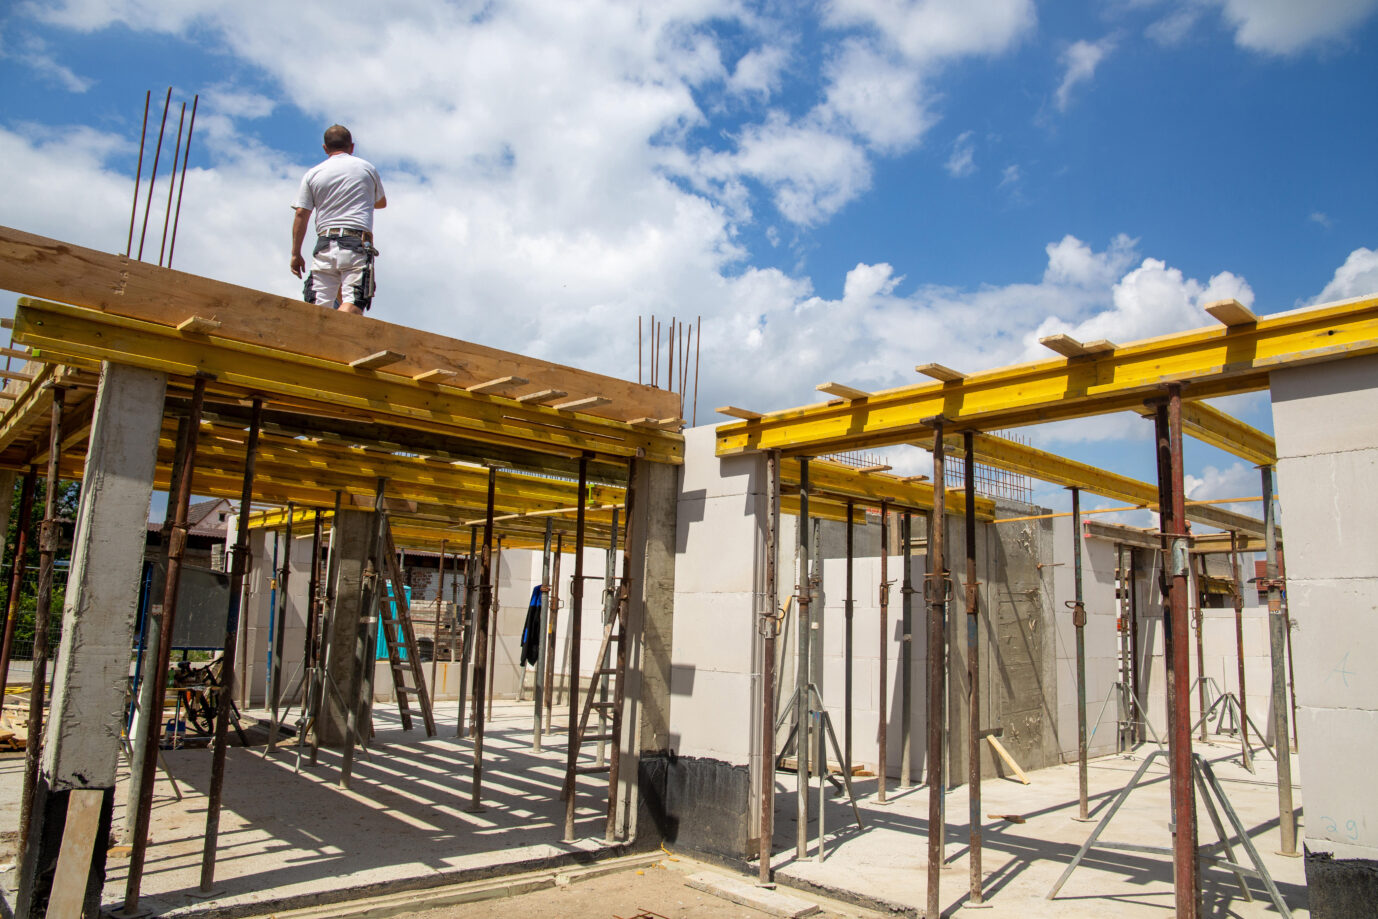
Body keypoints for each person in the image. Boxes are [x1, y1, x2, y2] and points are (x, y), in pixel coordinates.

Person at [290, 124, 387, 314]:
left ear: (325, 148)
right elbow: (381, 202)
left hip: (324, 245)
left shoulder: (313, 174)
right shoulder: (366, 168)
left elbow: (301, 212)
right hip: (355, 242)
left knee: (317, 306)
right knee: (354, 302)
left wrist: (295, 253)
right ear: (352, 146)